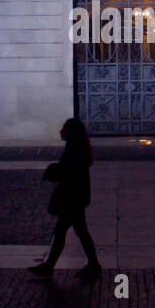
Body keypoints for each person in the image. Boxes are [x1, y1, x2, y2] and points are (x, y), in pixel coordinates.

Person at [29, 118, 102, 280]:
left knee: (64, 232)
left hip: (72, 197)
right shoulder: (78, 148)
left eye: (64, 129)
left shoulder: (74, 150)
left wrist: (54, 170)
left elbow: (69, 171)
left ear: (71, 133)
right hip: (76, 197)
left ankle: (51, 266)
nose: (61, 131)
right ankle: (92, 264)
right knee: (77, 232)